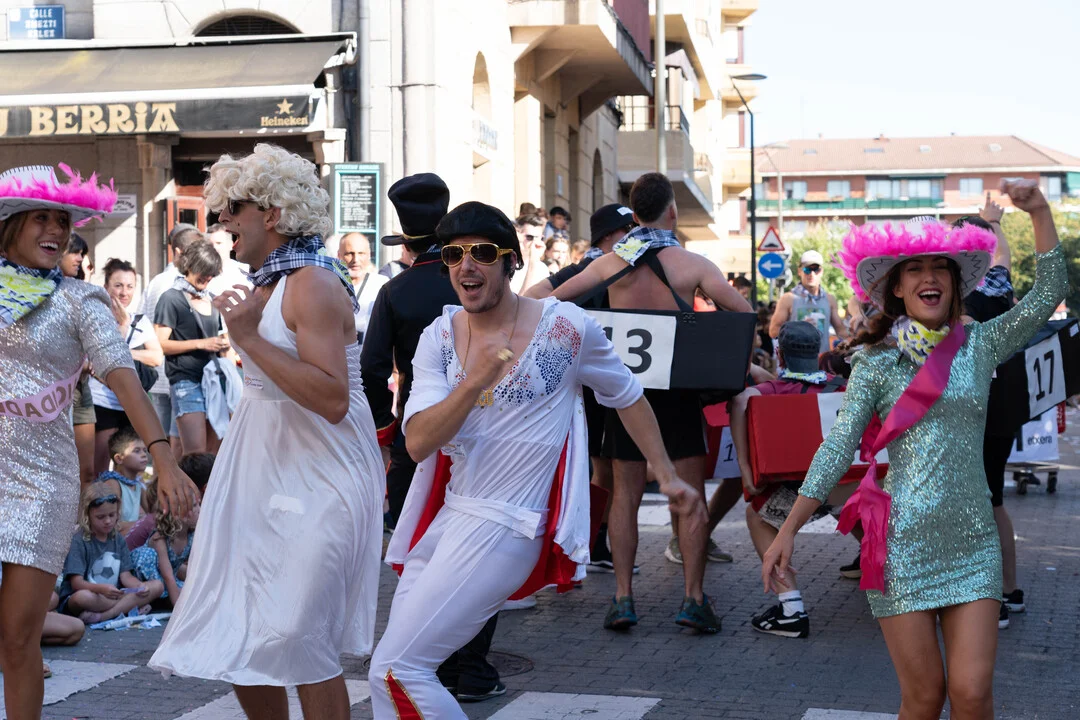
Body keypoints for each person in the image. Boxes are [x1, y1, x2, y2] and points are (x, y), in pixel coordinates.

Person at [368, 200, 707, 718]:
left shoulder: (564, 328)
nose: (466, 266)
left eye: (482, 253)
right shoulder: (439, 336)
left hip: (509, 526)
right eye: (454, 256)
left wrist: (667, 475)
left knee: (399, 669)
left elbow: (627, 394)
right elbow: (418, 443)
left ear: (511, 260)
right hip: (452, 518)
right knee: (392, 669)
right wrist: (475, 382)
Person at [762, 180, 1067, 719]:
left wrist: (1039, 211)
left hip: (974, 543)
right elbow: (838, 447)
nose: (930, 277)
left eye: (940, 268)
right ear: (897, 288)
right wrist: (788, 530)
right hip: (902, 549)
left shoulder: (979, 344)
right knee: (924, 699)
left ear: (955, 283)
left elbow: (1048, 295)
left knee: (972, 694)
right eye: (916, 269)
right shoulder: (876, 363)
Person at [149, 143, 385, 720]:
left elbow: (332, 398)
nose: (222, 220)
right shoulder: (267, 283)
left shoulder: (312, 283)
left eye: (235, 208)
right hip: (261, 467)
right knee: (243, 624)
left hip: (322, 472)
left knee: (300, 634)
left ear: (273, 213)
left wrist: (248, 338)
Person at [0, 164, 197, 719]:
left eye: (62, 221)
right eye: (41, 217)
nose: (56, 230)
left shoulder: (81, 300)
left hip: (41, 484)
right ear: (11, 223)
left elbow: (124, 379)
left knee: (17, 638)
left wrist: (164, 459)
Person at [544, 173, 751, 631]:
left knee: (626, 496)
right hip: (678, 390)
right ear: (672, 211)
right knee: (690, 493)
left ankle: (622, 597)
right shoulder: (692, 265)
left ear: (634, 215)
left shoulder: (610, 263)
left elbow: (553, 301)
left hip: (625, 393)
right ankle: (693, 598)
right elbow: (742, 313)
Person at [360, 174, 507, 701]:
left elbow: (371, 370)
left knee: (422, 553)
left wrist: (386, 432)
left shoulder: (396, 290)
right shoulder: (481, 280)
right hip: (485, 438)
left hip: (419, 440)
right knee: (480, 555)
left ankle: (431, 660)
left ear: (407, 239)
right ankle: (473, 666)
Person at [525, 202, 636, 572]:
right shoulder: (586, 269)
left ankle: (591, 543)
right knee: (602, 468)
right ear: (608, 236)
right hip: (587, 387)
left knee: (603, 467)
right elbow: (532, 298)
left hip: (609, 383)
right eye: (628, 231)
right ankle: (588, 543)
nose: (634, 237)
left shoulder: (629, 267)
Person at [729, 322, 851, 638]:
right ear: (818, 352)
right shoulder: (843, 386)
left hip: (800, 490)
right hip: (847, 484)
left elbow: (739, 401)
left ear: (780, 354)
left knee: (757, 517)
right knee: (861, 510)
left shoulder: (771, 391)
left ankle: (791, 609)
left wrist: (746, 470)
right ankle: (903, 584)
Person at [957, 195, 1024, 630]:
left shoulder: (962, 296)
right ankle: (1009, 590)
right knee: (994, 499)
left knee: (979, 503)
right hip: (1005, 408)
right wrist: (994, 223)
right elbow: (1005, 258)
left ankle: (990, 598)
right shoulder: (997, 284)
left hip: (975, 410)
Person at [90, 258, 165, 472]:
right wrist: (123, 329)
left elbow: (156, 357)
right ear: (106, 286)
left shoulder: (139, 321)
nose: (124, 292)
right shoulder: (95, 319)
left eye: (130, 286)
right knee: (98, 469)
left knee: (130, 470)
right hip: (101, 403)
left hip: (131, 403)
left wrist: (128, 354)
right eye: (118, 285)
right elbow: (99, 361)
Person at [154, 240, 227, 455]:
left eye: (211, 273)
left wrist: (225, 344)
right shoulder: (171, 298)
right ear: (190, 266)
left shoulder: (212, 300)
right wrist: (201, 344)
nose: (207, 277)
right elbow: (161, 344)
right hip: (185, 381)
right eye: (203, 271)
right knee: (195, 452)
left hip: (214, 381)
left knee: (215, 452)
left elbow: (221, 342)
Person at [59, 483, 165, 624]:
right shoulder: (79, 540)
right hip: (89, 595)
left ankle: (104, 616)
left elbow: (126, 576)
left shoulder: (118, 539)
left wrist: (138, 586)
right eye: (100, 517)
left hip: (113, 595)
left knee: (157, 586)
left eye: (111, 515)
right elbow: (77, 583)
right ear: (87, 515)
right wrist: (101, 589)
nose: (108, 521)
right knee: (82, 597)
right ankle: (128, 607)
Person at [142, 223, 205, 459]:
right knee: (173, 448)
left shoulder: (157, 281)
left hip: (165, 376)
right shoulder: (173, 284)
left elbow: (141, 320)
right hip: (173, 374)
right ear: (178, 252)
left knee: (166, 446)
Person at [61, 232, 98, 487]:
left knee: (87, 471)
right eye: (75, 252)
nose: (80, 259)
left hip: (81, 390)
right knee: (63, 470)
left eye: (82, 254)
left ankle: (85, 513)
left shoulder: (84, 293)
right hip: (50, 395)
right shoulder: (37, 293)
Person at [770, 249, 848, 354]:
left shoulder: (829, 299)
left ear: (821, 272)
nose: (812, 274)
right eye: (807, 269)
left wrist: (858, 339)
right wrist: (797, 330)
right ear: (799, 271)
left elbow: (841, 330)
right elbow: (773, 331)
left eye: (816, 269)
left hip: (821, 360)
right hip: (795, 360)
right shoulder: (788, 299)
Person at [337, 232, 388, 347]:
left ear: (369, 255)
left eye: (361, 253)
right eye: (349, 253)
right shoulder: (329, 285)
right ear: (339, 255)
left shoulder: (381, 284)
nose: (355, 259)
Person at [95, 426, 149, 535]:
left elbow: (151, 512)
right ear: (119, 458)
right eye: (137, 451)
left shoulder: (138, 483)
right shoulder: (113, 483)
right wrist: (142, 524)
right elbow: (113, 525)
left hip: (130, 534)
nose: (144, 455)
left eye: (144, 450)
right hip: (115, 539)